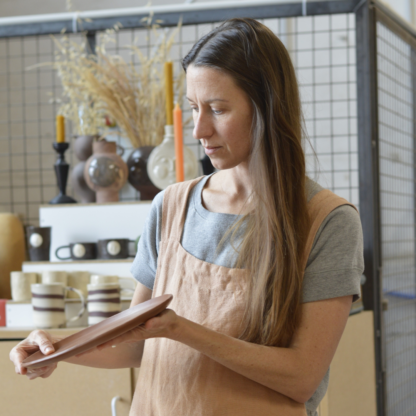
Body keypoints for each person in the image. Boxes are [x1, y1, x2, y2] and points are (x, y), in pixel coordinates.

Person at [10, 18, 364, 416]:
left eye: (217, 109)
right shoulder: (171, 206)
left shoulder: (327, 221)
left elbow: (303, 377)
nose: (198, 129)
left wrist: (183, 330)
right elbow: (137, 342)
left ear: (267, 108)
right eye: (194, 108)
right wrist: (55, 348)